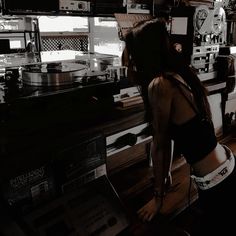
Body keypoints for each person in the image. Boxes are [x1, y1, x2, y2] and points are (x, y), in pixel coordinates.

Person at [123, 18, 236, 235]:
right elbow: (174, 132)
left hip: (217, 185)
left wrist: (158, 199)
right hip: (225, 167)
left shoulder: (159, 85)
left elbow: (161, 143)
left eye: (132, 50)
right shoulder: (179, 73)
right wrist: (164, 175)